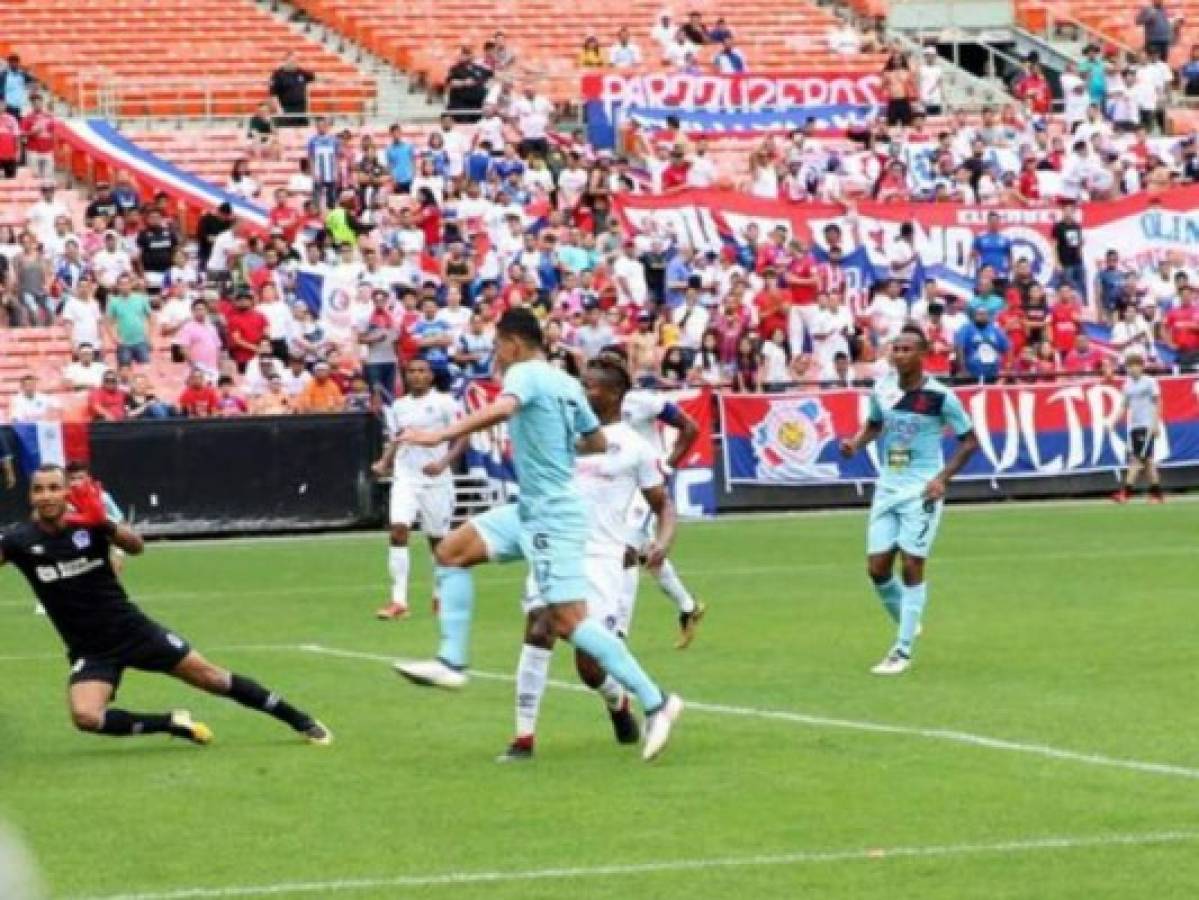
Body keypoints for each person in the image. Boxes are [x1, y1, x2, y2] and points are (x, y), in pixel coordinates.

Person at [393, 309, 683, 762]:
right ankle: (451, 662)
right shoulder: (566, 383)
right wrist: (552, 442)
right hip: (530, 508)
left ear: (512, 343)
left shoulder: (526, 373)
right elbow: (596, 443)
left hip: (552, 515)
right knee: (450, 551)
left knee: (568, 623)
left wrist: (438, 436)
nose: (496, 355)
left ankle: (656, 700)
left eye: (497, 346)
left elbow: (504, 407)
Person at [0, 466, 331, 745]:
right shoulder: (19, 541)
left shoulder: (90, 525)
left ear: (66, 494)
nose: (46, 495)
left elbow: (136, 547)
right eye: (39, 490)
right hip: (90, 649)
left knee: (212, 678)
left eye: (54, 488)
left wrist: (105, 524)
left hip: (133, 630)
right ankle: (172, 723)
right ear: (30, 497)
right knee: (86, 717)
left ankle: (299, 719)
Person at [500, 355, 677, 761]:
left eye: (591, 386)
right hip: (555, 542)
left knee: (590, 666)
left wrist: (662, 543)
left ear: (614, 394)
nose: (582, 391)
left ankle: (618, 701)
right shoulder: (564, 435)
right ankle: (522, 738)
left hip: (602, 557)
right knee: (539, 627)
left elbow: (663, 505)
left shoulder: (634, 447)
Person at [839, 325, 979, 675]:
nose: (898, 354)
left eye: (905, 349)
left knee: (912, 564)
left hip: (921, 490)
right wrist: (856, 444)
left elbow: (970, 441)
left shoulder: (940, 396)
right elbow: (874, 425)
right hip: (888, 487)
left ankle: (901, 651)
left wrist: (941, 479)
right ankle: (907, 618)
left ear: (922, 354)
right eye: (895, 348)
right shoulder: (883, 388)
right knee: (876, 569)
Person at [607, 349, 705, 647]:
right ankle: (688, 607)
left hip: (647, 485)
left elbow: (690, 427)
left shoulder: (644, 401)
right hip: (619, 486)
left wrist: (668, 464)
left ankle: (618, 632)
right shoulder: (597, 406)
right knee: (649, 554)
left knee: (626, 550)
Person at [371, 359, 466, 621]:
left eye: (421, 371)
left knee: (438, 541)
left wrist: (443, 462)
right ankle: (398, 601)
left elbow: (463, 435)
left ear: (431, 376)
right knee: (399, 530)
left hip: (436, 480)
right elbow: (398, 437)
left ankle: (439, 595)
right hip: (406, 478)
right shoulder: (399, 406)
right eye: (411, 371)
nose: (416, 375)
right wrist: (385, 461)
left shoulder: (446, 402)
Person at [1112, 353, 1165, 504]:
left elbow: (1158, 402)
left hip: (1146, 425)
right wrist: (1113, 421)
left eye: (1134, 365)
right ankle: (1157, 494)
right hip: (1134, 426)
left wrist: (1155, 423)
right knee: (1148, 462)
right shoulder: (1127, 385)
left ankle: (1125, 493)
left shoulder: (1149, 382)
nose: (1131, 369)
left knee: (1136, 460)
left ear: (1141, 366)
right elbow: (1124, 405)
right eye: (1129, 366)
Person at [269, 52, 315, 127]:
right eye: (292, 61)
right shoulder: (277, 74)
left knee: (303, 130)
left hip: (301, 108)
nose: (294, 63)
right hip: (286, 108)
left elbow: (314, 77)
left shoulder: (301, 72)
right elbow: (273, 94)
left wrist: (329, 78)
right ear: (285, 61)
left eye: (296, 61)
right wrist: (279, 109)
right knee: (287, 131)